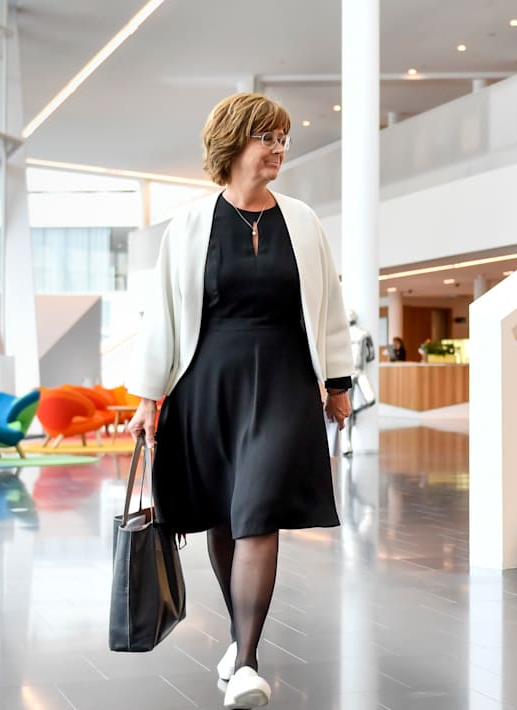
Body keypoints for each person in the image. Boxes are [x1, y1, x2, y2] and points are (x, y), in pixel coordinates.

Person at [126, 92, 351, 710]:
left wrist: (338, 384)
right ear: (234, 143)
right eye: (267, 138)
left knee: (258, 511)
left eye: (283, 138)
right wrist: (149, 397)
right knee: (225, 516)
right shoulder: (190, 225)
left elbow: (328, 307)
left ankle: (247, 662)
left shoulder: (302, 220)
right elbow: (162, 316)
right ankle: (237, 637)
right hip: (207, 385)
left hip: (283, 383)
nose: (279, 149)